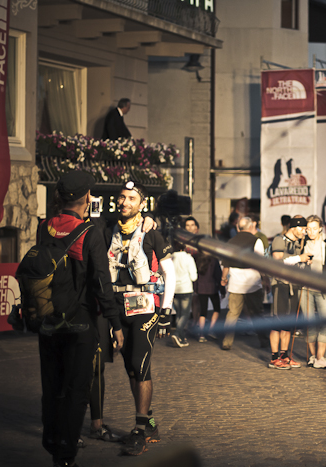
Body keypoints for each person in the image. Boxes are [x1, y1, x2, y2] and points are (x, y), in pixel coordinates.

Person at [38, 171, 124, 467]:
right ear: (87, 197)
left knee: (52, 387)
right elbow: (101, 281)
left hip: (49, 321)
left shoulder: (44, 227)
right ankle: (66, 456)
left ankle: (53, 445)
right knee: (77, 390)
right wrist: (114, 323)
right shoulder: (89, 232)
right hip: (80, 322)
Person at [106, 180, 176, 456]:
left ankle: (139, 430)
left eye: (131, 198)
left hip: (144, 307)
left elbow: (170, 273)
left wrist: (166, 311)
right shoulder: (109, 229)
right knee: (130, 369)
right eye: (122, 197)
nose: (125, 202)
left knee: (140, 365)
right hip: (118, 306)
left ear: (142, 204)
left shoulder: (152, 233)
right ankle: (149, 423)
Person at [220, 216, 269, 351]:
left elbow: (226, 264)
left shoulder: (230, 242)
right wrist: (265, 279)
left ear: (237, 228)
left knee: (232, 314)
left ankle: (227, 341)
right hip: (253, 284)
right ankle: (264, 340)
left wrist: (224, 278)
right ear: (251, 226)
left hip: (235, 285)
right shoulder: (256, 241)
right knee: (257, 314)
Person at [301, 216, 326, 369]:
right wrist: (304, 262)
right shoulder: (303, 242)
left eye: (314, 228)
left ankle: (320, 357)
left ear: (320, 229)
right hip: (306, 288)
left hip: (323, 288)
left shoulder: (325, 242)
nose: (311, 231)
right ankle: (313, 356)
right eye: (308, 229)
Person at [269, 216, 308, 369]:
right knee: (277, 321)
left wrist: (304, 262)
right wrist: (299, 258)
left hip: (294, 285)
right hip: (281, 284)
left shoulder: (298, 243)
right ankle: (274, 358)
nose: (304, 231)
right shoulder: (279, 240)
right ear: (294, 227)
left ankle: (284, 356)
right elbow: (277, 261)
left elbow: (296, 263)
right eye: (302, 228)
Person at [193, 250, 224, 341]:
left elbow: (195, 275)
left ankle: (201, 334)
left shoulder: (196, 258)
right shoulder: (214, 259)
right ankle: (211, 329)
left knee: (203, 311)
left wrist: (195, 289)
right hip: (212, 288)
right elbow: (218, 276)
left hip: (200, 288)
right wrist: (222, 290)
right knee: (217, 309)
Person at [171, 241, 198, 347]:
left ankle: (181, 338)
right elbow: (194, 277)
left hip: (174, 289)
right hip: (186, 288)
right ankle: (177, 334)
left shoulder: (171, 258)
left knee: (179, 314)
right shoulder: (188, 258)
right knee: (185, 315)